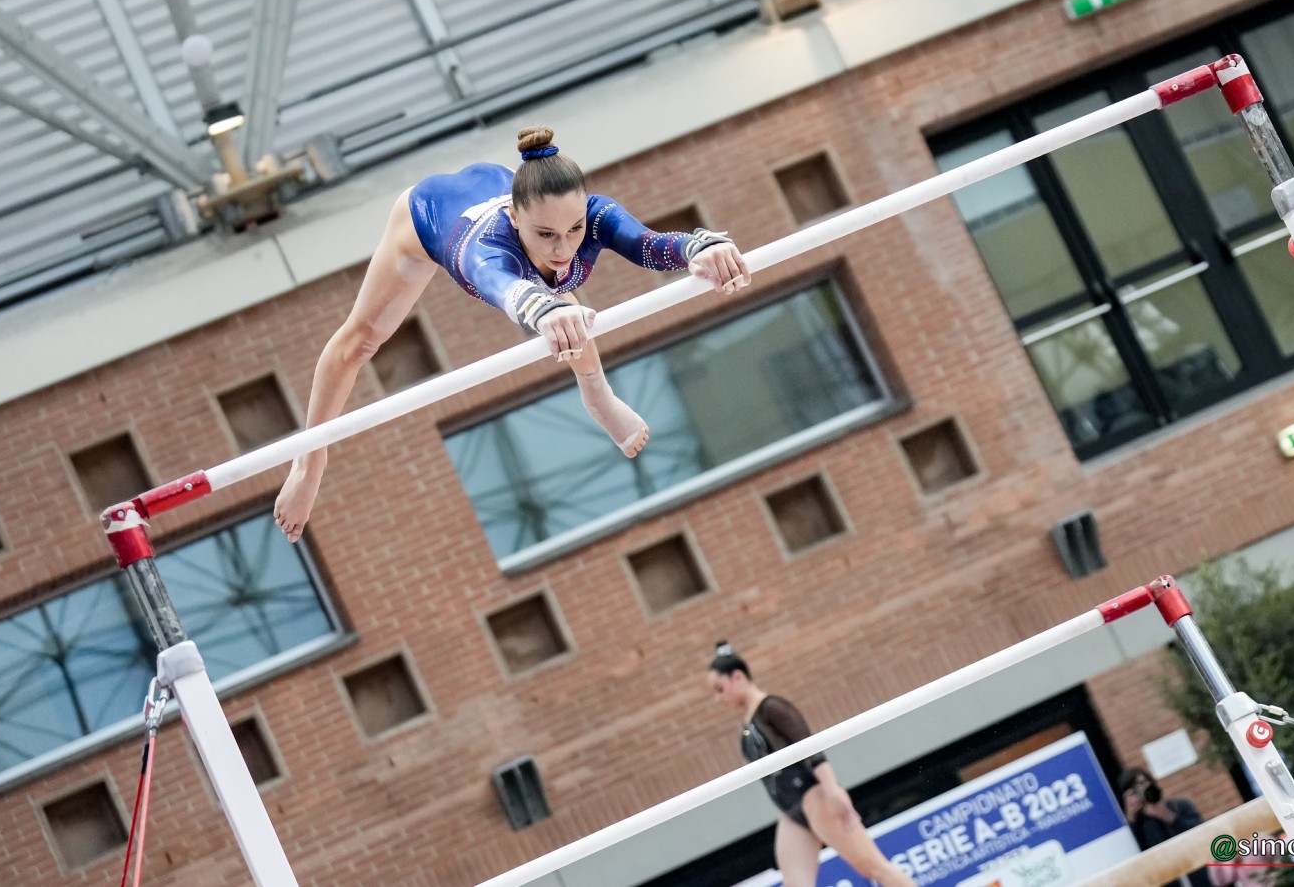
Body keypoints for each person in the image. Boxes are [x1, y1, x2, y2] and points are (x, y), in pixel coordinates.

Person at [273, 126, 751, 542]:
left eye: (575, 229)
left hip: (499, 186)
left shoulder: (593, 217)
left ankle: (597, 396)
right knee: (360, 341)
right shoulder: (486, 247)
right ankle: (309, 463)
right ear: (515, 219)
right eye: (546, 235)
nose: (564, 247)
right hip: (429, 216)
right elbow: (501, 285)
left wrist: (699, 249)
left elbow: (650, 244)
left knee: (562, 305)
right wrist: (541, 309)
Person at [706, 642, 916, 887]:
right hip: (791, 810)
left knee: (873, 867)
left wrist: (832, 790)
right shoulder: (747, 721)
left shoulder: (771, 707)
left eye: (720, 689)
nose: (718, 699)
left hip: (814, 797)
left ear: (738, 677)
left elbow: (810, 746)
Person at [1116, 767, 1213, 887]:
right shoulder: (1138, 826)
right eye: (1135, 789)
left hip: (1202, 877)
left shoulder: (1180, 807)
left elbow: (1201, 835)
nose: (1141, 789)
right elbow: (1133, 860)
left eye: (1143, 783)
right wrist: (1131, 821)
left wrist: (1167, 816)